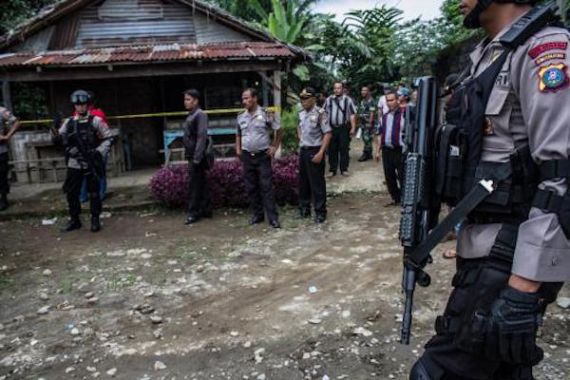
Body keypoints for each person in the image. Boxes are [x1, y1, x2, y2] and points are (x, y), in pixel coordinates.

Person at [410, 1, 570, 379]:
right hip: (484, 248)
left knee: (438, 372)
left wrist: (525, 286)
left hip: (512, 254)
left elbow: (562, 175)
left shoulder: (544, 51)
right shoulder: (485, 56)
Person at [53, 90, 113, 233]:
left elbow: (109, 138)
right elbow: (59, 140)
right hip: (74, 162)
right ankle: (75, 220)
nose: (80, 107)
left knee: (94, 192)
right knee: (71, 192)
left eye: (83, 105)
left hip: (90, 161)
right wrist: (54, 130)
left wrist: (98, 152)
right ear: (74, 106)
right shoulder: (68, 122)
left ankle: (95, 219)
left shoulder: (96, 121)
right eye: (78, 105)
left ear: (87, 105)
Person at [235, 88, 282, 229]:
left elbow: (279, 130)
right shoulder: (240, 116)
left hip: (262, 156)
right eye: (243, 98)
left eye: (247, 98)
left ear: (255, 98)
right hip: (247, 156)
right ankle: (257, 215)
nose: (244, 101)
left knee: (266, 187)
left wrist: (274, 146)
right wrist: (238, 149)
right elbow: (238, 133)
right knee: (251, 187)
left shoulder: (267, 114)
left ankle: (273, 218)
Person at [297, 87, 332, 223]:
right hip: (304, 150)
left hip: (315, 150)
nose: (303, 101)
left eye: (306, 98)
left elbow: (328, 133)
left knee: (317, 183)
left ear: (313, 99)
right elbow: (299, 126)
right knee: (303, 182)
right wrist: (300, 138)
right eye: (302, 98)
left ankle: (320, 212)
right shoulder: (300, 113)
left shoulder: (320, 113)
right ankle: (304, 209)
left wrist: (321, 152)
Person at [182, 89, 212, 225]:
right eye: (185, 99)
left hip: (197, 156)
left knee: (194, 185)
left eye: (188, 99)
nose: (185, 102)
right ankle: (206, 210)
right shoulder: (191, 115)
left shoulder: (200, 115)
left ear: (196, 101)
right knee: (201, 183)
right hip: (192, 155)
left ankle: (193, 213)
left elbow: (201, 137)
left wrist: (196, 158)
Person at [76, 92, 109, 203]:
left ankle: (83, 196)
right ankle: (100, 195)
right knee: (100, 173)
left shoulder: (76, 114)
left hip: (84, 150)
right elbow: (105, 134)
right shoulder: (99, 114)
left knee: (84, 174)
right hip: (97, 149)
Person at [375, 91, 404, 207]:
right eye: (387, 100)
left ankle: (405, 199)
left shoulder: (404, 114)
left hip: (400, 150)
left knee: (403, 175)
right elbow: (380, 134)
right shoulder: (384, 117)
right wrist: (377, 151)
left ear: (398, 100)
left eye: (392, 100)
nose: (389, 103)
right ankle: (396, 198)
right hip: (387, 150)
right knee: (389, 176)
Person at [325, 81, 356, 176]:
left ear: (343, 89)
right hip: (332, 128)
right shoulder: (329, 99)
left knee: (344, 149)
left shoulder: (348, 100)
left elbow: (352, 114)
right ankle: (332, 169)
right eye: (335, 88)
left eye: (339, 88)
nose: (337, 90)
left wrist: (353, 128)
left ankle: (344, 169)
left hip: (343, 128)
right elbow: (324, 113)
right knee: (332, 149)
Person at [0, 106, 21, 211]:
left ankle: (3, 200)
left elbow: (16, 122)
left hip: (1, 151)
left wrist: (7, 136)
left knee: (2, 177)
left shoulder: (1, 111)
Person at [356, 86, 376, 162]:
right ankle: (369, 154)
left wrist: (370, 123)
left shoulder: (371, 101)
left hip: (368, 122)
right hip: (362, 122)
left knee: (366, 138)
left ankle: (365, 153)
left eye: (365, 90)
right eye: (362, 90)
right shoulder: (363, 100)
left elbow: (372, 113)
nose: (363, 92)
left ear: (368, 92)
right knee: (366, 138)